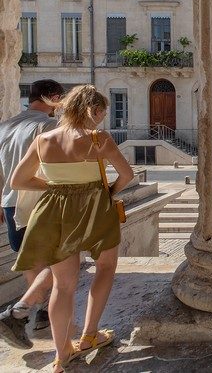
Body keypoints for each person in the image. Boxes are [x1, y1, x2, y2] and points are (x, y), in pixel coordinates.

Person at [10, 85, 134, 372]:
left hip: (56, 210)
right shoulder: (98, 138)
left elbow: (18, 180)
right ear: (98, 110)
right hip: (96, 208)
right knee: (105, 268)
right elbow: (126, 175)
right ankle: (90, 334)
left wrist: (56, 187)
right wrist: (109, 191)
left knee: (63, 285)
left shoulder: (44, 139)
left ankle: (62, 354)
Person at [0, 79, 64, 349]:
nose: (60, 103)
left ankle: (41, 314)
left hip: (10, 202)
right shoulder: (49, 126)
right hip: (40, 201)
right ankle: (19, 312)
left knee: (31, 263)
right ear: (50, 97)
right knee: (64, 261)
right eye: (59, 98)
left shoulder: (5, 126)